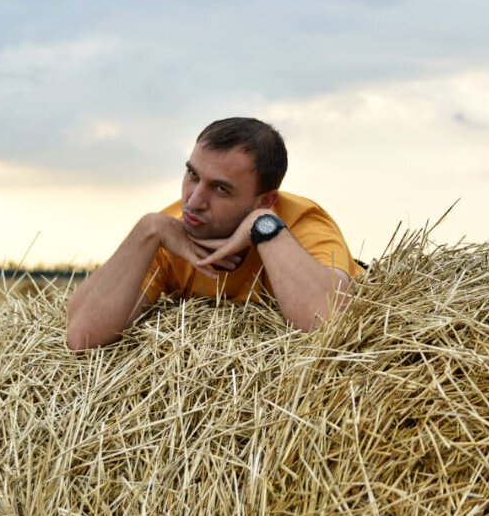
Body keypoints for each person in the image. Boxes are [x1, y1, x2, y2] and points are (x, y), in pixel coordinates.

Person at [66, 117, 363, 350]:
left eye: (221, 188)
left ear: (265, 200)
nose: (194, 201)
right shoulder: (166, 234)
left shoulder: (302, 222)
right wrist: (149, 228)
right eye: (192, 175)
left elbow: (328, 322)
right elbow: (82, 337)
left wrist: (262, 225)